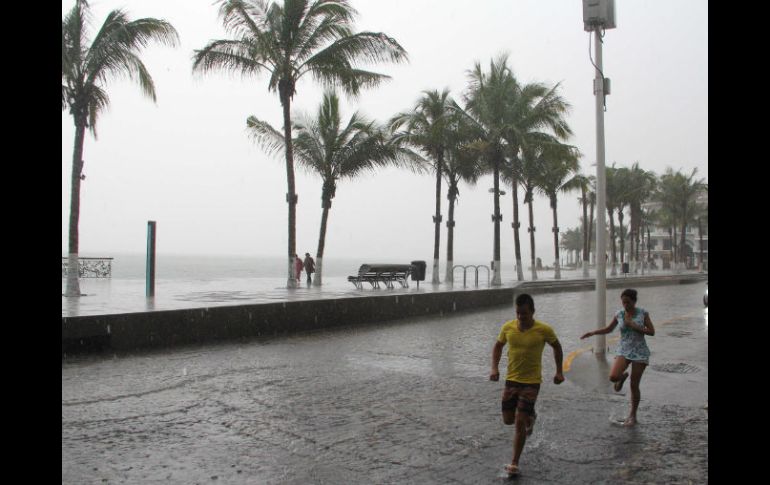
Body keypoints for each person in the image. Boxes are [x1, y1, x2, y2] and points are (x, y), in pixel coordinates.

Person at [490, 293, 564, 477]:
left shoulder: (543, 329)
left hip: (531, 382)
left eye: (524, 313)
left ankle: (514, 462)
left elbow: (557, 347)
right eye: (518, 313)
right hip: (512, 379)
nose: (521, 317)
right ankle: (531, 415)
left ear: (532, 311)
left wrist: (559, 371)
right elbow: (498, 346)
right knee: (508, 420)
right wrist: (494, 368)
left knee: (520, 421)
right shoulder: (508, 327)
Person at [580, 288, 655, 427]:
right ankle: (622, 377)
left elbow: (652, 331)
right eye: (623, 302)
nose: (625, 305)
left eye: (627, 302)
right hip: (623, 350)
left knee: (634, 385)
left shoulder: (643, 313)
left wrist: (633, 325)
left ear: (634, 301)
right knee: (613, 376)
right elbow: (609, 329)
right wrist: (592, 333)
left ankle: (632, 415)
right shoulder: (619, 314)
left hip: (640, 351)